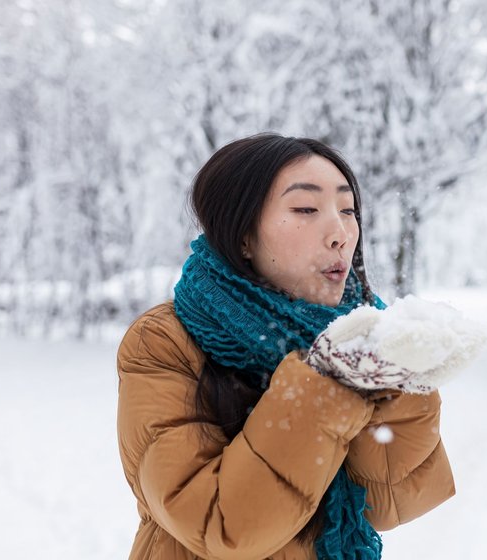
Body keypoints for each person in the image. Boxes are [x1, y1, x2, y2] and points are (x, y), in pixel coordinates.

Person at [116, 133, 456, 560]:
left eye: (347, 210)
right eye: (306, 209)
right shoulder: (164, 341)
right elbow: (224, 526)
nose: (340, 234)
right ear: (242, 235)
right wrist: (323, 382)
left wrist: (402, 373)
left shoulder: (361, 334)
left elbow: (390, 500)